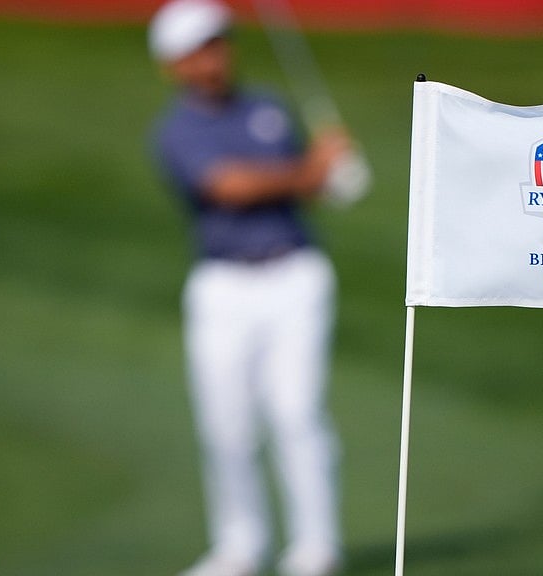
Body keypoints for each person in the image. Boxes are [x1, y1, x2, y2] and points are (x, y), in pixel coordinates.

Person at [147, 1, 357, 575]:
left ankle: (315, 548)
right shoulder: (176, 130)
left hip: (296, 275)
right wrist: (308, 171)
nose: (214, 57)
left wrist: (335, 173)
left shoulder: (267, 107)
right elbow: (229, 186)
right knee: (227, 426)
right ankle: (239, 546)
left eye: (219, 42)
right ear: (174, 65)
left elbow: (307, 185)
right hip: (224, 286)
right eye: (199, 49)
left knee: (296, 413)